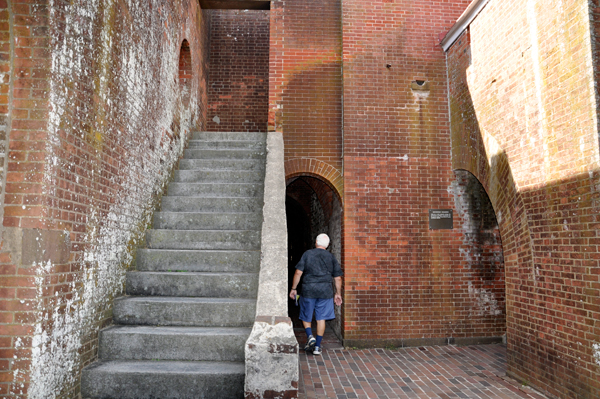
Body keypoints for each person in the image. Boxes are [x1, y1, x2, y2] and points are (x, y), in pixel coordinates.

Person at [289, 233, 343, 355]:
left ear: (316, 243)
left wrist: (294, 288)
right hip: (325, 291)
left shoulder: (308, 254)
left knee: (305, 315)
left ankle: (310, 336)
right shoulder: (331, 257)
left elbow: (298, 272)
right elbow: (338, 278)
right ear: (328, 245)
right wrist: (338, 293)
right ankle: (317, 347)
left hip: (308, 290)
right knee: (321, 318)